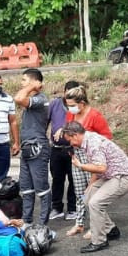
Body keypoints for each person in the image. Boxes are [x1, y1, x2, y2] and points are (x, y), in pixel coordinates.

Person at [62, 121, 128, 253]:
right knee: (87, 198)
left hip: (124, 176)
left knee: (95, 203)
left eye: (70, 140)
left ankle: (99, 241)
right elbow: (97, 169)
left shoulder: (93, 143)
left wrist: (80, 166)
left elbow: (101, 168)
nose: (70, 144)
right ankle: (111, 230)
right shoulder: (87, 140)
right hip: (110, 176)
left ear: (75, 135)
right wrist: (90, 187)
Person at [62, 85, 113, 238]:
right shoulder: (71, 116)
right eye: (68, 105)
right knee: (79, 192)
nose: (69, 109)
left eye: (72, 106)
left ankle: (96, 225)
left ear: (82, 103)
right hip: (76, 157)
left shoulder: (95, 116)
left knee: (93, 192)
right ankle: (79, 223)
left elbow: (107, 138)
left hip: (93, 157)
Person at [13, 68, 52, 227]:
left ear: (34, 81)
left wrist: (33, 86)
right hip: (26, 148)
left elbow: (18, 98)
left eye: (24, 80)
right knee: (26, 187)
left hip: (38, 148)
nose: (21, 84)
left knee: (41, 187)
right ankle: (27, 220)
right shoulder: (32, 99)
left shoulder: (41, 99)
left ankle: (43, 223)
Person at [48, 80, 81, 221]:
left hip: (72, 149)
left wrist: (65, 129)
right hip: (56, 149)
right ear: (64, 91)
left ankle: (73, 209)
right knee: (57, 179)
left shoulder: (78, 106)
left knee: (74, 180)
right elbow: (46, 121)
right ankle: (57, 208)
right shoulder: (55, 104)